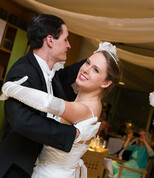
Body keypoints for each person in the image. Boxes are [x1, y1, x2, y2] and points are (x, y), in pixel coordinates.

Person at [0, 41, 122, 177]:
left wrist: (11, 89)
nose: (86, 69)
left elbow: (48, 103)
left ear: (106, 83)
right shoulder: (83, 100)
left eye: (96, 70)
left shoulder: (86, 109)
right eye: (87, 62)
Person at [0, 14, 99, 178]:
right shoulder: (23, 70)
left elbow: (67, 74)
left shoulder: (51, 75)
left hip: (36, 166)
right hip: (15, 167)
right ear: (50, 40)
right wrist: (71, 134)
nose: (69, 46)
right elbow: (20, 121)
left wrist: (95, 58)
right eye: (66, 40)